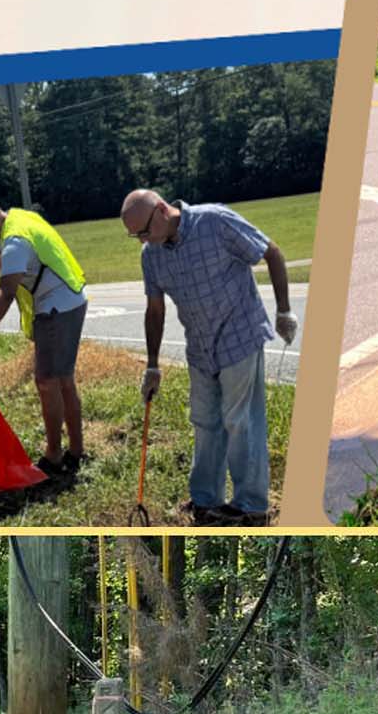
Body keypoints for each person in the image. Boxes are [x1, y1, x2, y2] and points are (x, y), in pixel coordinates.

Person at [123, 188, 298, 525]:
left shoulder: (214, 221)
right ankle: (206, 500)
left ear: (162, 210)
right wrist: (153, 366)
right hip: (201, 349)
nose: (142, 240)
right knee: (204, 422)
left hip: (240, 336)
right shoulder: (151, 255)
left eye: (143, 231)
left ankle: (251, 506)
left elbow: (271, 252)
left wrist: (284, 310)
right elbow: (155, 310)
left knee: (240, 421)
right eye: (135, 235)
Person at [0, 195, 91, 477]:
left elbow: (5, 293)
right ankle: (76, 452)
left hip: (57, 308)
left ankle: (54, 457)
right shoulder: (18, 220)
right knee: (62, 381)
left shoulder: (15, 241)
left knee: (47, 382)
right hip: (70, 299)